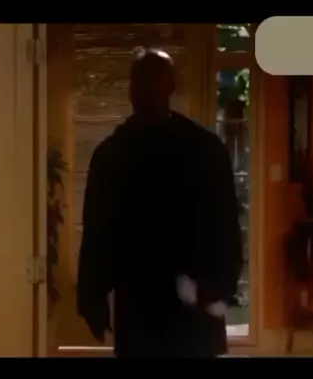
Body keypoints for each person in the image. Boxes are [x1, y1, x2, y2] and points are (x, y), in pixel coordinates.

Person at [77, 49, 243, 358]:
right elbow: (98, 231)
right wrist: (92, 295)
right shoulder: (114, 154)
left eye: (152, 81)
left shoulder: (203, 150)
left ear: (168, 87)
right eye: (142, 82)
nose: (145, 90)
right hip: (147, 301)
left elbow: (225, 222)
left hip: (184, 298)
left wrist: (220, 283)